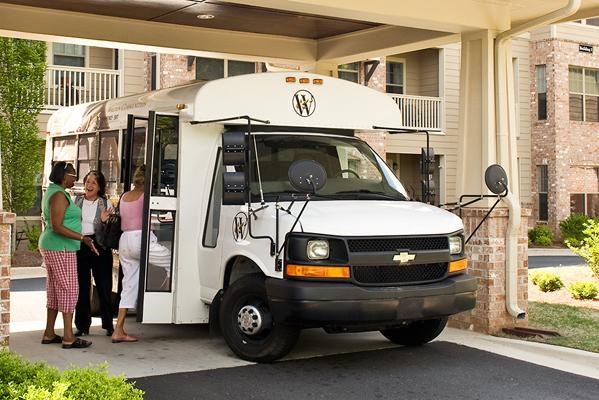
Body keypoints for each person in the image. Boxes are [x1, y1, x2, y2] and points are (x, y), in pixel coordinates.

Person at [39, 161, 97, 349]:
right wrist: (83, 238)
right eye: (73, 175)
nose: (76, 179)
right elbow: (57, 226)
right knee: (68, 289)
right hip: (61, 247)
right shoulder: (58, 195)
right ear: (64, 176)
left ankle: (49, 333)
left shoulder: (57, 191)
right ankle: (68, 336)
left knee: (56, 290)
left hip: (55, 246)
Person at [112, 165, 171, 343]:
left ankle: (119, 330)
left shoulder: (124, 196)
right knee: (172, 259)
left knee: (129, 285)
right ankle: (165, 291)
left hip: (124, 240)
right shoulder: (147, 196)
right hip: (141, 239)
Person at [74, 170, 115, 337]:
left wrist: (106, 222)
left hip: (100, 246)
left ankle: (108, 325)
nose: (89, 185)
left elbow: (113, 231)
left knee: (104, 285)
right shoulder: (75, 201)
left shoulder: (106, 204)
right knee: (82, 287)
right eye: (87, 182)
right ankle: (82, 326)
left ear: (99, 187)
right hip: (81, 244)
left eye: (93, 183)